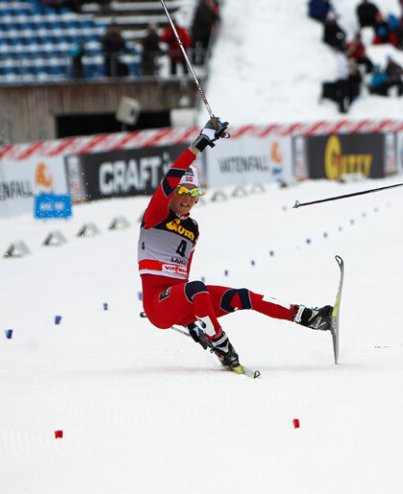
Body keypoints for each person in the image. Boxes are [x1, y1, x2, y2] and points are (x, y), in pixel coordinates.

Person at [138, 118, 334, 372]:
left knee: (242, 296)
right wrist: (201, 142)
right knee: (197, 288)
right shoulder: (156, 215)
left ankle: (307, 317)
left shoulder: (192, 228)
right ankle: (221, 344)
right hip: (157, 305)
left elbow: (181, 278)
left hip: (181, 301)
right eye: (182, 192)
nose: (188, 199)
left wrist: (191, 322)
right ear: (172, 194)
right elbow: (172, 175)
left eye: (194, 193)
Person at [191, 0, 219, 66]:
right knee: (196, 47)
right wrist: (213, 19)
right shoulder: (202, 8)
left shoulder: (209, 8)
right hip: (198, 32)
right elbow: (205, 18)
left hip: (205, 32)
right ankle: (194, 61)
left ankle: (202, 61)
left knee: (204, 47)